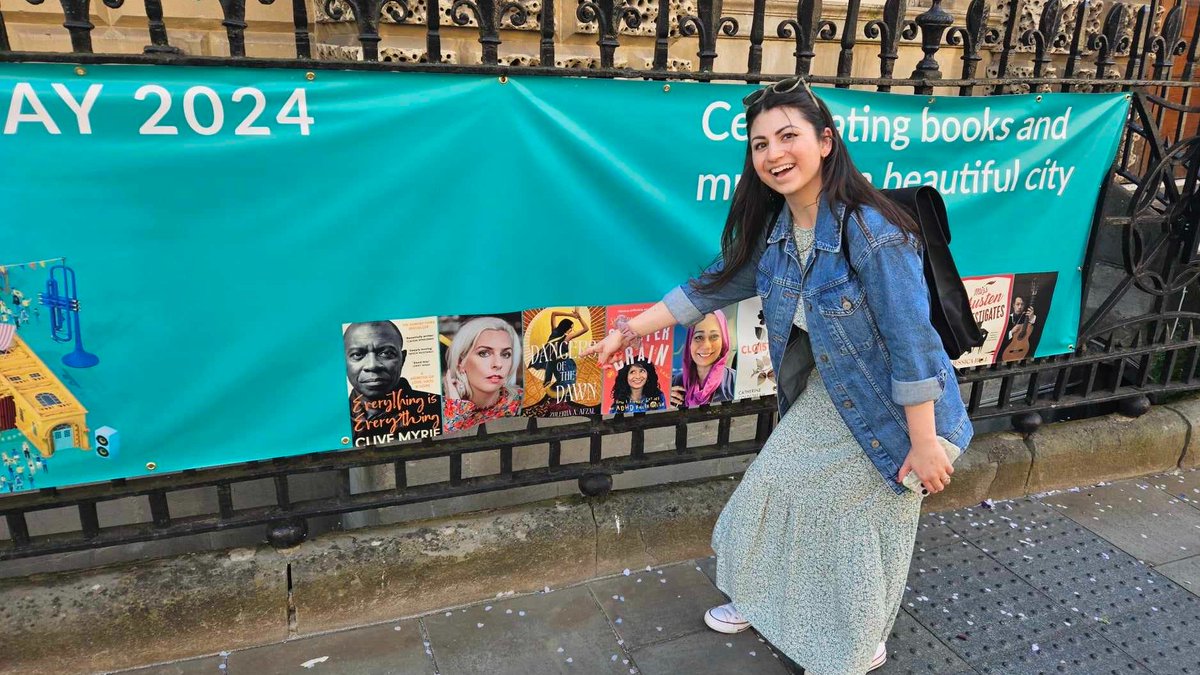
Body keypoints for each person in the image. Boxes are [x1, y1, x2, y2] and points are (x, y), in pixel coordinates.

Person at [586, 77, 972, 674]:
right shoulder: (777, 231)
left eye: (788, 136)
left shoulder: (872, 231)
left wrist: (924, 444)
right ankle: (768, 598)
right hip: (833, 394)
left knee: (859, 527)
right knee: (769, 491)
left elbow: (912, 344)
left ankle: (857, 642)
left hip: (899, 410)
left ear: (826, 141)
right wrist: (631, 331)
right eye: (760, 144)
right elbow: (712, 284)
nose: (773, 154)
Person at [343, 321, 440, 444]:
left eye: (386, 353)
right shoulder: (330, 421)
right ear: (344, 362)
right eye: (357, 354)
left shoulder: (438, 409)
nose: (372, 365)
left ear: (402, 359)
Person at [441, 316, 524, 433]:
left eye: (505, 354)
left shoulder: (523, 403)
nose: (498, 364)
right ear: (461, 362)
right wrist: (455, 406)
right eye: (484, 353)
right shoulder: (438, 409)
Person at [670, 310, 736, 407]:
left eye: (714, 336)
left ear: (724, 341)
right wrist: (665, 405)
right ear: (689, 342)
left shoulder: (735, 383)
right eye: (698, 337)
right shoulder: (676, 383)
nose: (706, 346)